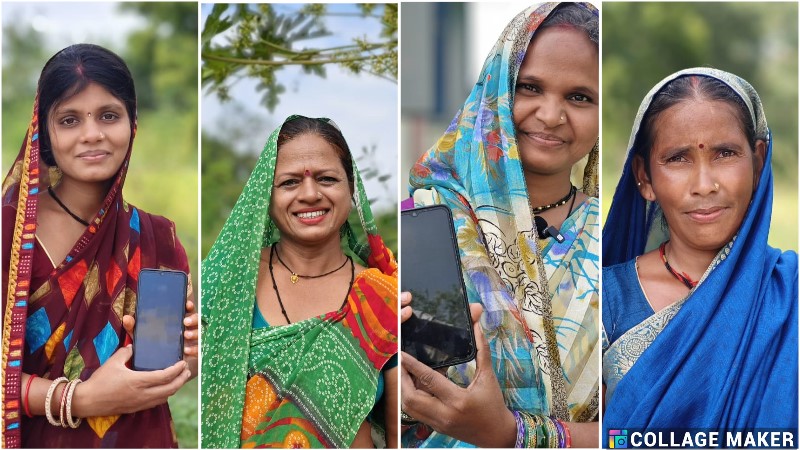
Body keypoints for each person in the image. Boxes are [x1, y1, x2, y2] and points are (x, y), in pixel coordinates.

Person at [400, 2, 599, 447]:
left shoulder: (616, 239)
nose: (551, 115)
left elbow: (639, 427)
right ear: (494, 88)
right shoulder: (424, 219)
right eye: (529, 87)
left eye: (580, 96)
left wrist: (513, 436)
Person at [1, 44, 198, 448]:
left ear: (132, 124)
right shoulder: (8, 233)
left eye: (109, 115)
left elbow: (175, 367)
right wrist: (83, 399)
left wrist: (189, 356)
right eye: (70, 119)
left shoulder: (157, 237)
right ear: (45, 136)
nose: (92, 134)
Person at [602, 68, 798, 433]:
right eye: (678, 158)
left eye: (725, 153)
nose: (704, 185)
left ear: (757, 162)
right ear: (644, 176)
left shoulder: (791, 292)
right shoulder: (604, 300)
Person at [201, 115, 398, 448]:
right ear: (267, 195)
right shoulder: (228, 281)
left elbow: (399, 436)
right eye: (290, 182)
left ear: (351, 188)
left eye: (326, 179)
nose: (310, 194)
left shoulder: (383, 298)